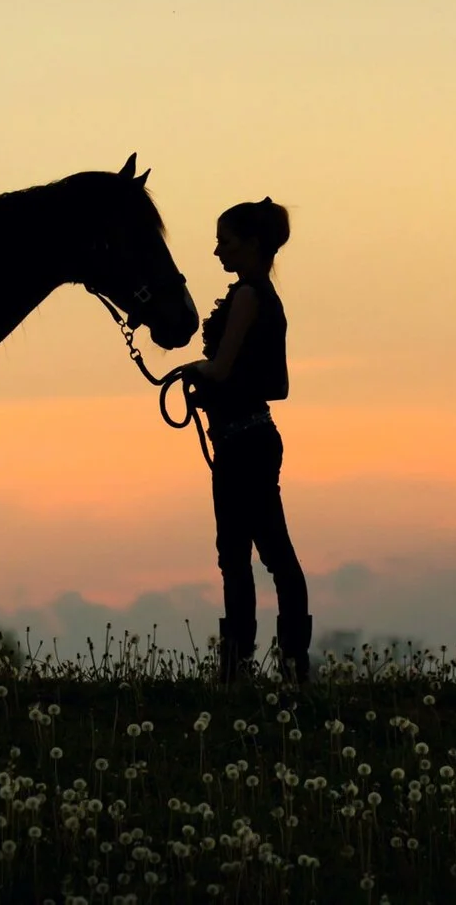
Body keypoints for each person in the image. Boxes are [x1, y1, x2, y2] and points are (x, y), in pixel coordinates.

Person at [182, 197, 310, 681]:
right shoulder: (265, 298)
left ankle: (245, 668)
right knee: (258, 552)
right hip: (247, 438)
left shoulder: (248, 297)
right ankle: (284, 664)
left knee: (246, 555)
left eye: (225, 242)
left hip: (242, 442)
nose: (218, 251)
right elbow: (274, 383)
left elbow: (221, 365)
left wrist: (198, 371)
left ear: (251, 245)